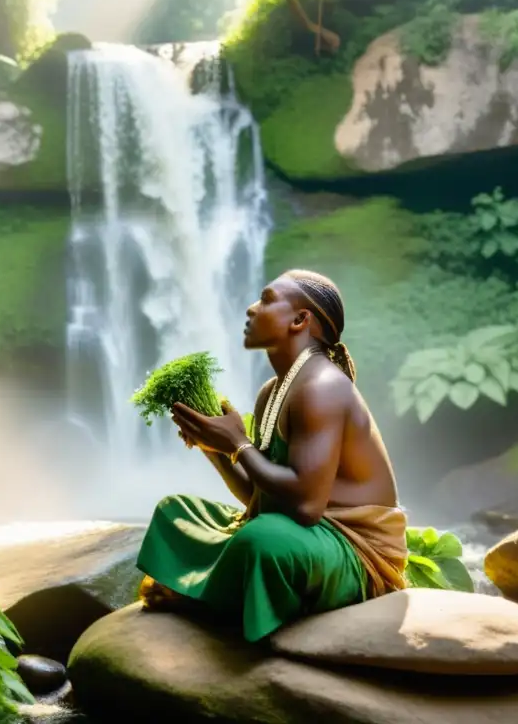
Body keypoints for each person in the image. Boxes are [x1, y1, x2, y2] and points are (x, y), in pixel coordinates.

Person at [135, 269, 408, 643]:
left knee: (261, 541)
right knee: (175, 511)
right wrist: (215, 448)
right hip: (301, 532)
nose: (250, 309)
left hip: (354, 552)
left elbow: (307, 506)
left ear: (300, 320)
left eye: (265, 300)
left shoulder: (321, 387)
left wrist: (238, 444)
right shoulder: (273, 391)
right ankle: (224, 595)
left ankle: (211, 602)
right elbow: (259, 497)